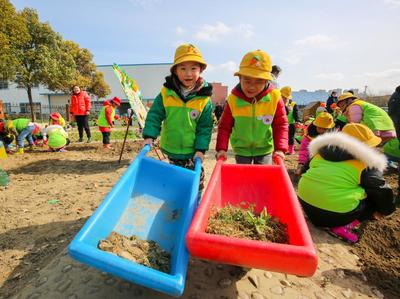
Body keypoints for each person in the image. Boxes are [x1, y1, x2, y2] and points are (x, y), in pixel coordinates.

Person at [298, 123, 395, 243]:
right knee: (373, 198)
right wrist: (387, 210)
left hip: (305, 204)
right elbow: (381, 191)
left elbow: (304, 171)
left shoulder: (319, 154)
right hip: (335, 215)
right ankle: (344, 226)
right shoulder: (365, 165)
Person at [143, 44, 213, 190]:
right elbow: (155, 114)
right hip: (172, 147)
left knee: (196, 180)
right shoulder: (166, 93)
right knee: (176, 179)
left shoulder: (204, 99)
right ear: (175, 70)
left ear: (200, 70)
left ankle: (195, 203)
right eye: (183, 68)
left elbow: (204, 127)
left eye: (193, 68)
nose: (188, 73)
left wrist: (201, 149)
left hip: (192, 150)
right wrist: (150, 135)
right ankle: (176, 203)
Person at [216, 50, 288, 164]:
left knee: (262, 178)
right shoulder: (233, 99)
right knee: (244, 178)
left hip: (264, 148)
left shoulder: (274, 98)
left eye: (259, 81)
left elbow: (281, 124)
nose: (252, 87)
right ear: (240, 78)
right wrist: (221, 148)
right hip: (242, 149)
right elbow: (225, 126)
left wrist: (280, 148)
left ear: (266, 81)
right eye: (247, 80)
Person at [281, 86, 300, 155]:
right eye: (282, 97)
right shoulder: (277, 103)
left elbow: (296, 113)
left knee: (291, 137)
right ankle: (284, 149)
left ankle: (291, 150)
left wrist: (297, 120)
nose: (283, 99)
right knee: (282, 137)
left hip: (291, 124)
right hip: (280, 124)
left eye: (285, 97)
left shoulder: (293, 104)